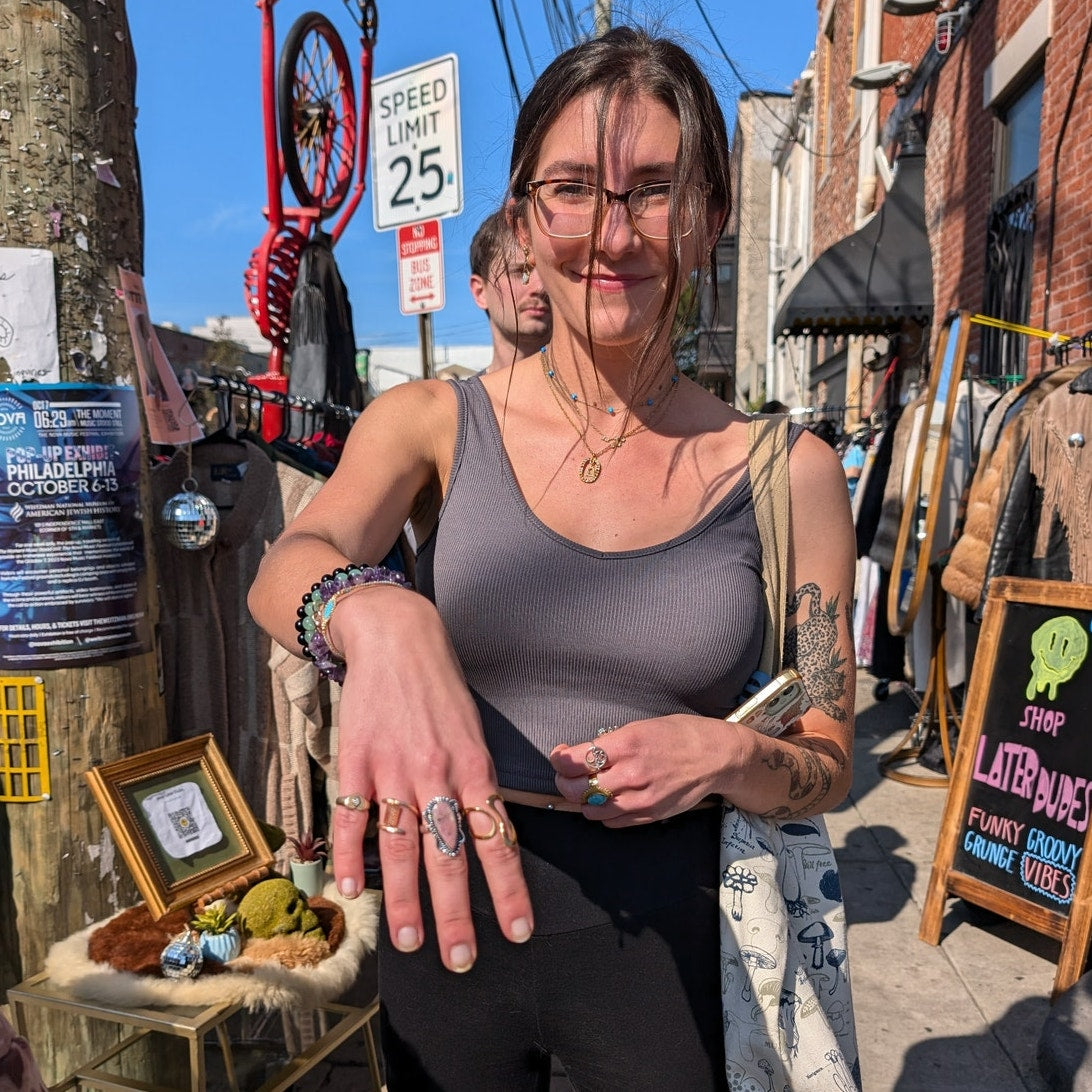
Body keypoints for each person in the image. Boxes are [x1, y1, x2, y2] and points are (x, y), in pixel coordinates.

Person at [249, 26, 858, 1091]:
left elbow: (827, 753)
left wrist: (722, 757)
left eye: (655, 190)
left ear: (711, 213)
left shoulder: (787, 470)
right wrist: (375, 615)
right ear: (525, 216)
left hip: (676, 934)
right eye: (573, 188)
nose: (612, 234)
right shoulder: (431, 422)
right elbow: (287, 561)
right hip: (444, 907)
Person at [468, 207, 552, 373]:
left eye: (548, 271)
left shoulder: (598, 393)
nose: (540, 286)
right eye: (521, 272)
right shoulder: (461, 399)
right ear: (480, 292)